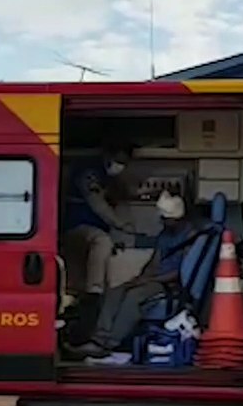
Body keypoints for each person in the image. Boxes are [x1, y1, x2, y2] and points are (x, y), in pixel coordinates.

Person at [72, 190, 195, 358]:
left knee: (133, 297)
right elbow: (154, 260)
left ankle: (110, 343)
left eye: (166, 219)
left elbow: (181, 273)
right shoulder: (165, 235)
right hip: (153, 279)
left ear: (177, 219)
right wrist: (140, 278)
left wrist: (149, 280)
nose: (163, 222)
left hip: (168, 283)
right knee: (115, 291)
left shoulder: (190, 238)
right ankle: (98, 339)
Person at [61, 141, 139, 341]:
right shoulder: (88, 172)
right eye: (119, 160)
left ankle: (78, 334)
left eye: (124, 162)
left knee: (77, 286)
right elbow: (97, 204)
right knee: (101, 242)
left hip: (89, 232)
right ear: (108, 155)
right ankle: (94, 291)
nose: (120, 165)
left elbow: (118, 196)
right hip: (76, 229)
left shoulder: (108, 177)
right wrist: (120, 224)